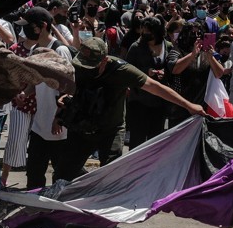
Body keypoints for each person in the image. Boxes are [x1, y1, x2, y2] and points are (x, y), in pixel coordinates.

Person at [55, 38, 207, 181]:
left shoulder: (121, 70)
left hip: (110, 130)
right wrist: (59, 113)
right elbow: (70, 88)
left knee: (111, 176)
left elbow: (155, 87)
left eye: (92, 65)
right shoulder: (79, 66)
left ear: (105, 60)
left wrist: (188, 105)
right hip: (82, 126)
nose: (87, 68)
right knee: (63, 173)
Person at [16, 7, 73, 190]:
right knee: (34, 173)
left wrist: (59, 117)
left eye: (29, 26)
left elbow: (69, 88)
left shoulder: (60, 50)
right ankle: (34, 210)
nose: (25, 30)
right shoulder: (34, 50)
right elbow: (36, 81)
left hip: (58, 129)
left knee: (61, 176)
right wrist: (26, 93)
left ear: (42, 26)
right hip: (39, 125)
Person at [125, 16, 180, 148]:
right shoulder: (136, 47)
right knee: (137, 139)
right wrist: (146, 72)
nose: (144, 34)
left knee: (155, 140)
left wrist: (164, 73)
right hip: (139, 100)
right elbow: (128, 70)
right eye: (143, 31)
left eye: (148, 32)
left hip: (160, 101)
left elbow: (172, 67)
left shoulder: (168, 46)